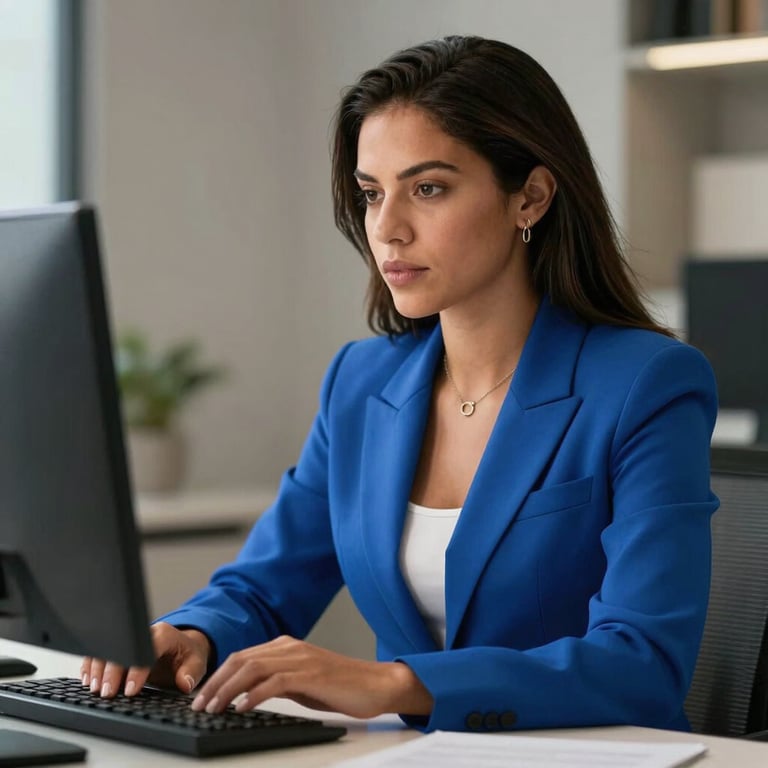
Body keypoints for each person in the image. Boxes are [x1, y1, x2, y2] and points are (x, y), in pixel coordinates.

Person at [82, 35, 719, 733]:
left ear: (530, 198)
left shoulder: (645, 385)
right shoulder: (361, 382)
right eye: (370, 193)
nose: (386, 228)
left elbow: (642, 662)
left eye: (428, 189)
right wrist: (191, 634)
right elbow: (264, 587)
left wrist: (393, 683)